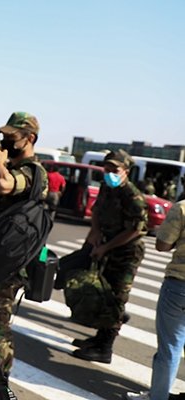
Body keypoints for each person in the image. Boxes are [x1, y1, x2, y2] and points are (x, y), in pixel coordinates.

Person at [0, 111, 48, 378]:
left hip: (10, 264)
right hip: (1, 257)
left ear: (30, 138)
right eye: (3, 135)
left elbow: (3, 185)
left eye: (12, 137)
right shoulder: (18, 167)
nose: (5, 141)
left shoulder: (32, 172)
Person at [72, 149, 147, 364]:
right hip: (106, 246)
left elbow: (135, 230)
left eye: (114, 169)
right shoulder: (107, 187)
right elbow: (96, 211)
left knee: (116, 299)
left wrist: (106, 247)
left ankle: (105, 348)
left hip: (126, 253)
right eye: (107, 168)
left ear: (126, 171)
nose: (109, 173)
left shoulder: (133, 196)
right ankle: (98, 339)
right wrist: (94, 234)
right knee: (103, 294)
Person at [125, 199, 185, 399]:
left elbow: (162, 245)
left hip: (180, 285)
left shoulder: (182, 208)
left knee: (171, 346)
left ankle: (158, 397)